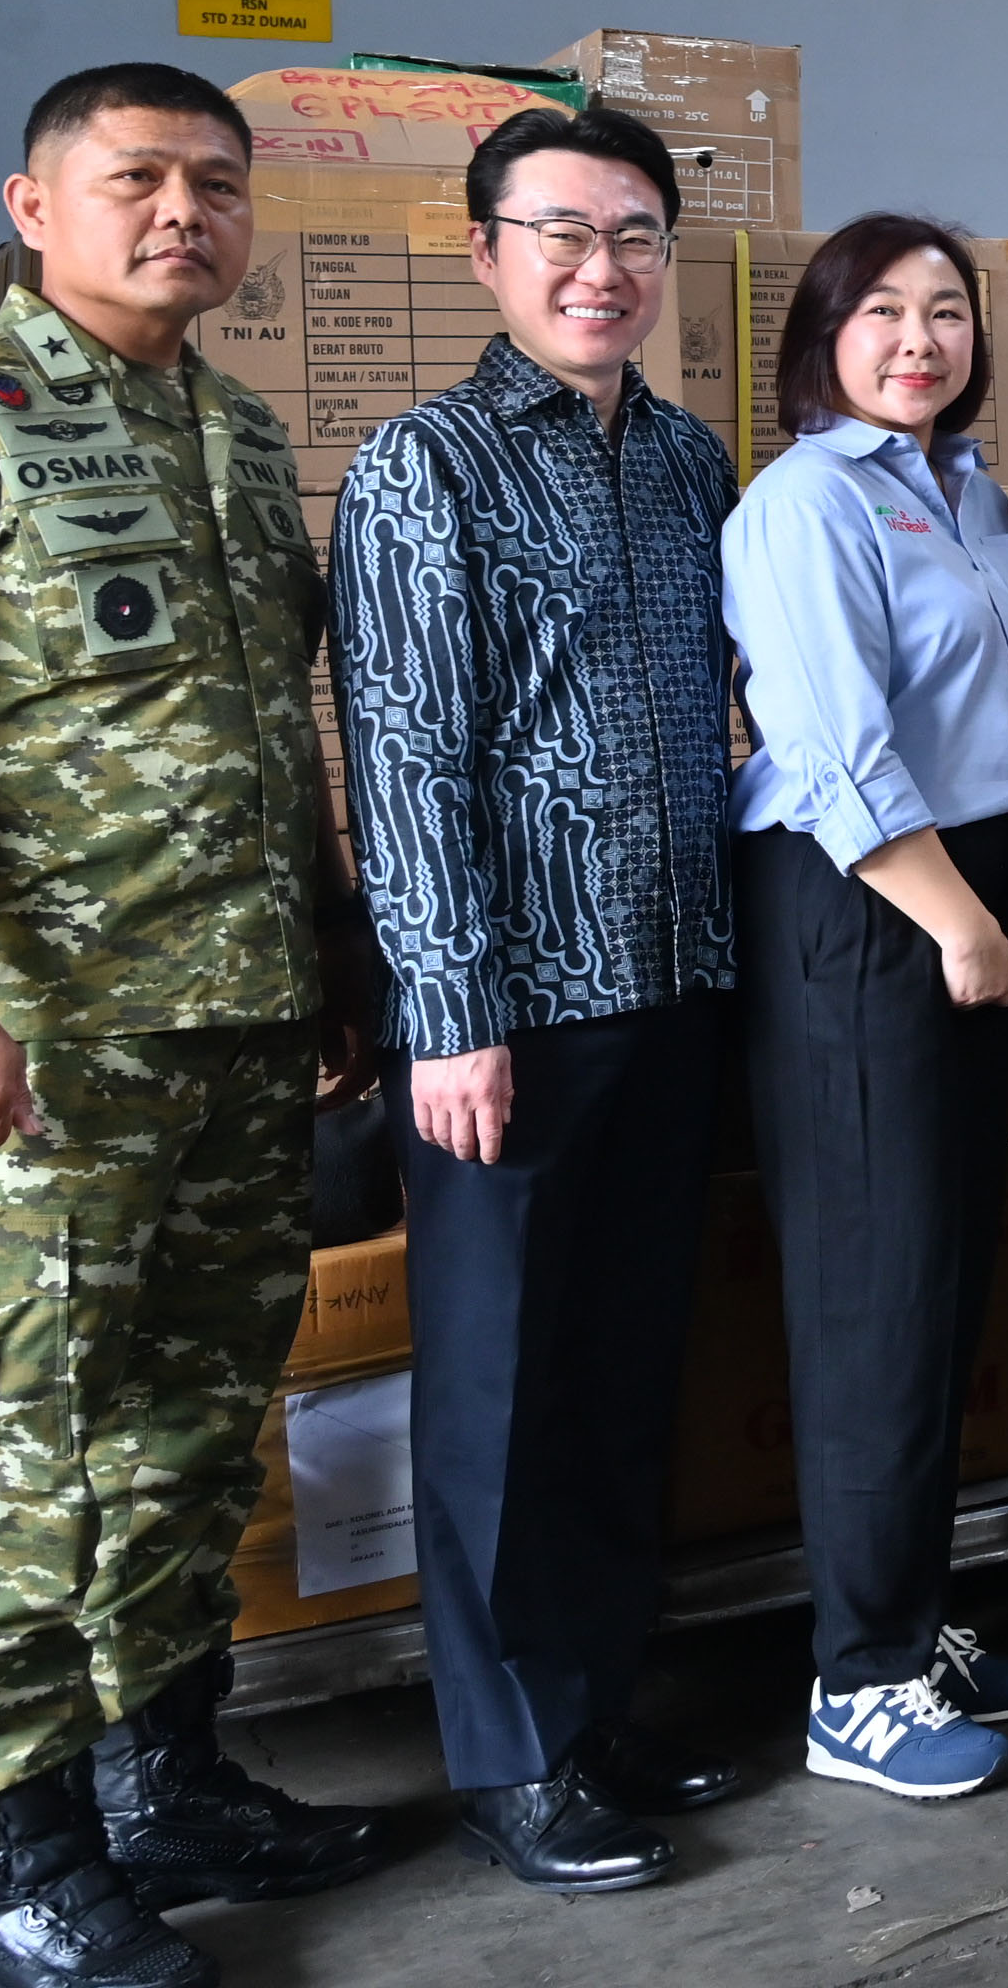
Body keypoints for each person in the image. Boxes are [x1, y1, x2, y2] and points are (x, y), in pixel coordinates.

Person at [0, 63, 386, 1988]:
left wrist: (329, 951)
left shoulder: (230, 430)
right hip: (39, 1054)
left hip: (231, 1029)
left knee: (192, 1437)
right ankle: (25, 1871)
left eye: (215, 185)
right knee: (14, 1451)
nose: (181, 214)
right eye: (135, 178)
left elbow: (256, 734)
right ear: (35, 204)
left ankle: (163, 1790)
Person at [328, 104, 743, 1890]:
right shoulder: (422, 467)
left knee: (618, 1364)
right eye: (562, 232)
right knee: (496, 1385)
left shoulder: (689, 461)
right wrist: (448, 1010)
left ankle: (593, 1696)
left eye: (636, 232)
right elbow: (405, 757)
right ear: (485, 248)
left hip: (675, 979)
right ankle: (508, 1750)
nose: (603, 267)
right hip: (511, 1005)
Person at [721, 217, 1008, 1799]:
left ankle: (914, 1620)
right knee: (871, 1295)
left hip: (982, 885)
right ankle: (857, 1677)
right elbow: (838, 749)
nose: (917, 339)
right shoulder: (804, 504)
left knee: (936, 1280)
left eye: (944, 312)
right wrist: (958, 922)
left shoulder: (973, 491)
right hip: (869, 908)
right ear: (824, 334)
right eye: (881, 312)